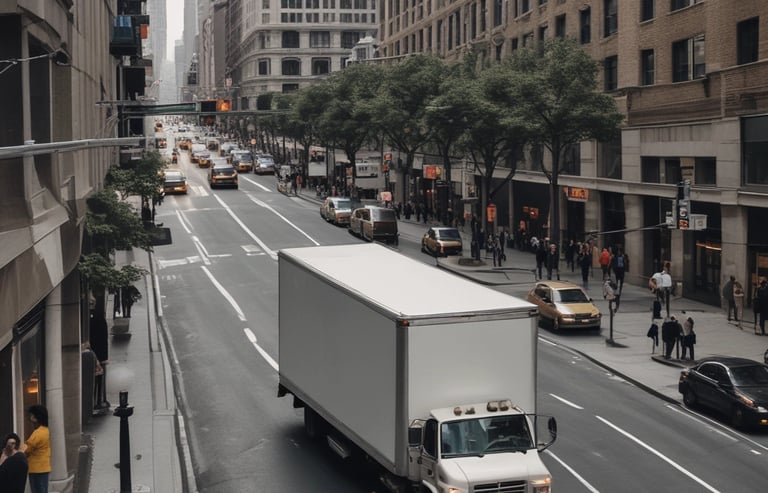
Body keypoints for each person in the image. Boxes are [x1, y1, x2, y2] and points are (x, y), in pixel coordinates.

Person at [23, 405, 50, 493]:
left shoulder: (38, 433)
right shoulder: (46, 430)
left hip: (36, 469)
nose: (29, 418)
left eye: (31, 415)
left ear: (35, 417)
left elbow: (26, 449)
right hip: (44, 468)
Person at [90, 311, 110, 409]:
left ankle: (96, 401)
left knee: (95, 381)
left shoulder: (92, 320)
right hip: (100, 356)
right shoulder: (100, 320)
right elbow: (103, 340)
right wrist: (104, 358)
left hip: (95, 354)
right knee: (100, 380)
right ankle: (100, 401)